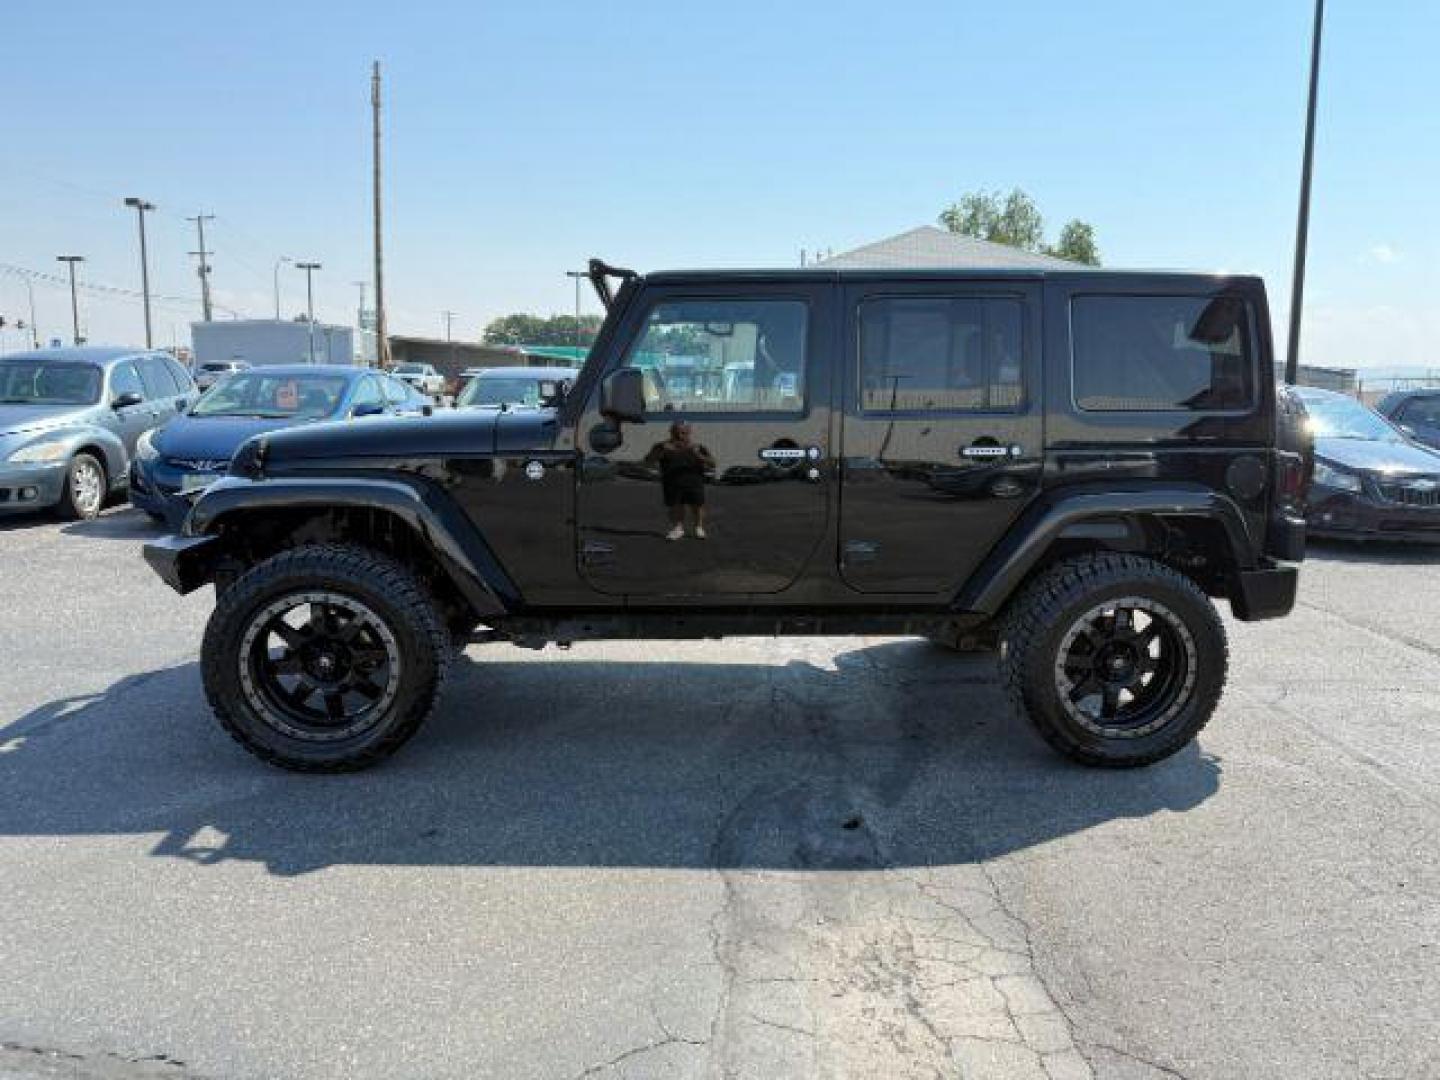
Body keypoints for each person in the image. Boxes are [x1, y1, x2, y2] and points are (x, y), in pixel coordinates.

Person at [645, 420, 716, 540]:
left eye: (683, 433)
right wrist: (661, 452)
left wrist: (698, 455)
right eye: (676, 432)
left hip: (694, 481)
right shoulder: (661, 446)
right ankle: (678, 529)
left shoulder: (698, 447)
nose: (680, 435)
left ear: (689, 432)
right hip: (671, 481)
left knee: (697, 505)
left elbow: (713, 463)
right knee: (675, 505)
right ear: (671, 432)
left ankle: (698, 527)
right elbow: (648, 461)